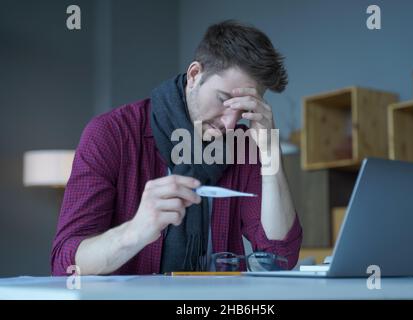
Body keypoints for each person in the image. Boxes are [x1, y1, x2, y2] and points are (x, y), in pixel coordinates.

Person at [51, 20, 302, 275]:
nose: (230, 123)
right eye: (223, 99)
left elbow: (280, 256)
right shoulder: (110, 134)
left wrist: (270, 156)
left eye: (243, 110)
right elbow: (66, 264)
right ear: (194, 75)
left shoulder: (243, 144)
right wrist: (136, 230)